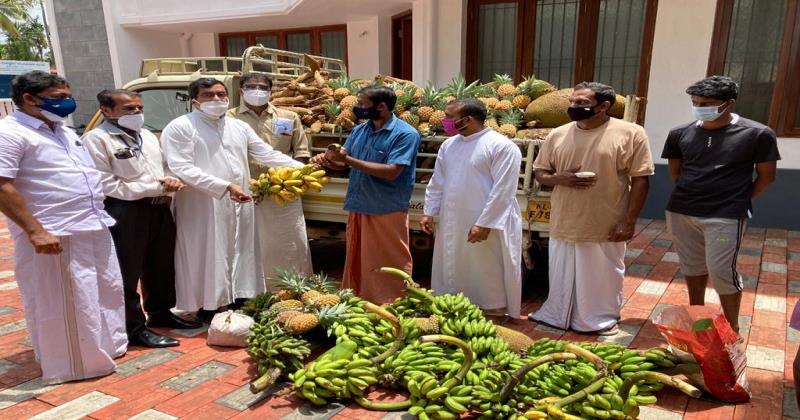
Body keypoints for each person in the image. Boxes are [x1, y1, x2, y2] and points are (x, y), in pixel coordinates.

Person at [0, 71, 127, 383]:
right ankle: (76, 363)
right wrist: (35, 231)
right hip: (56, 231)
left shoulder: (62, 130)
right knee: (68, 300)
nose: (67, 103)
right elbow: (2, 184)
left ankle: (105, 348)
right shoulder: (10, 132)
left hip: (92, 223)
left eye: (67, 96)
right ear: (29, 99)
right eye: (58, 98)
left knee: (102, 292)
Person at [160, 77, 304, 323]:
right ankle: (207, 304)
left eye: (220, 94)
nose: (216, 99)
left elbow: (265, 153)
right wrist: (224, 186)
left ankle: (239, 297)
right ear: (194, 101)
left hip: (239, 200)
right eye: (208, 95)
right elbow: (181, 167)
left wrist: (300, 168)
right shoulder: (180, 127)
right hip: (202, 203)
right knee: (207, 251)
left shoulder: (238, 127)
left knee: (240, 248)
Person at [529, 82, 653, 335]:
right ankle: (557, 314)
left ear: (604, 106)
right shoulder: (558, 134)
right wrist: (559, 179)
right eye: (572, 102)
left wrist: (629, 221)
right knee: (562, 271)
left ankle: (598, 319)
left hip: (605, 221)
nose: (574, 107)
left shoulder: (631, 133)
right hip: (564, 219)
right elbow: (541, 171)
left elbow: (641, 179)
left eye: (582, 103)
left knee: (602, 274)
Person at [82, 89, 202, 348]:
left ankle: (160, 312)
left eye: (139, 108)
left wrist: (170, 179)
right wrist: (155, 187)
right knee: (128, 270)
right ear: (106, 110)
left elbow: (163, 166)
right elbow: (105, 183)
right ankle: (133, 327)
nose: (136, 113)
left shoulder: (146, 135)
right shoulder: (97, 140)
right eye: (128, 109)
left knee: (160, 264)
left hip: (158, 208)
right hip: (126, 211)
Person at [662, 76, 780, 333]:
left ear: (729, 103)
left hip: (726, 215)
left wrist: (738, 199)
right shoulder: (679, 133)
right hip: (682, 212)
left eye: (707, 103)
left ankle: (731, 328)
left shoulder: (757, 134)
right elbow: (676, 172)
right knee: (692, 267)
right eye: (695, 102)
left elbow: (767, 176)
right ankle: (698, 317)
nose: (700, 107)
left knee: (721, 272)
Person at [311, 86, 421, 304]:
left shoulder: (406, 134)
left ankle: (393, 303)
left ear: (381, 106)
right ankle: (360, 300)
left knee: (390, 260)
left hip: (386, 207)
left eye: (362, 104)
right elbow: (344, 165)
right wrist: (327, 160)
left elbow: (393, 172)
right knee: (359, 260)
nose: (357, 108)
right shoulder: (359, 131)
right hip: (359, 203)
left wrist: (347, 160)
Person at [420, 99, 523, 318]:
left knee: (485, 265)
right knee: (453, 262)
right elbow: (437, 181)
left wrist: (485, 224)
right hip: (451, 220)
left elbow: (503, 190)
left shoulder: (501, 146)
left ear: (466, 119)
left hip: (485, 221)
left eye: (449, 117)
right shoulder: (449, 145)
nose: (444, 121)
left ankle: (492, 307)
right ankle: (454, 304)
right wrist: (429, 211)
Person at [227, 73, 313, 277]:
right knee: (248, 241)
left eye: (262, 87)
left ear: (270, 91)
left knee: (288, 240)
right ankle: (250, 288)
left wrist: (288, 182)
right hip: (244, 190)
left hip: (282, 191)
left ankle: (291, 283)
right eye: (251, 87)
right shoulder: (229, 118)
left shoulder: (288, 117)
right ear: (241, 91)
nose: (257, 91)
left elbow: (301, 153)